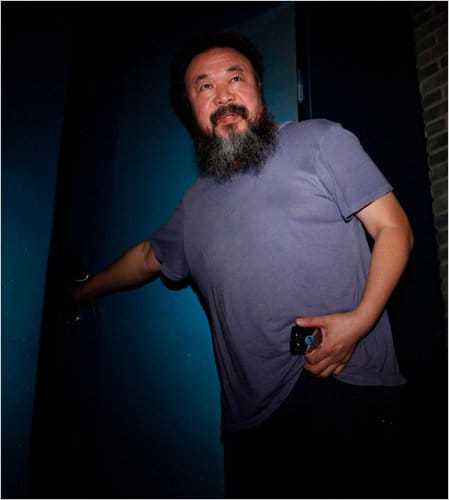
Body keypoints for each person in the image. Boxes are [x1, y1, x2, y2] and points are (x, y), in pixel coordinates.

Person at [70, 32, 415, 498]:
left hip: (347, 383)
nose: (223, 95)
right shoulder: (194, 203)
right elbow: (149, 256)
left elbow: (394, 229)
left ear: (258, 89)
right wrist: (84, 291)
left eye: (235, 78)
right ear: (191, 109)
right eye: (204, 86)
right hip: (253, 422)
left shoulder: (320, 139)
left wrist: (361, 321)